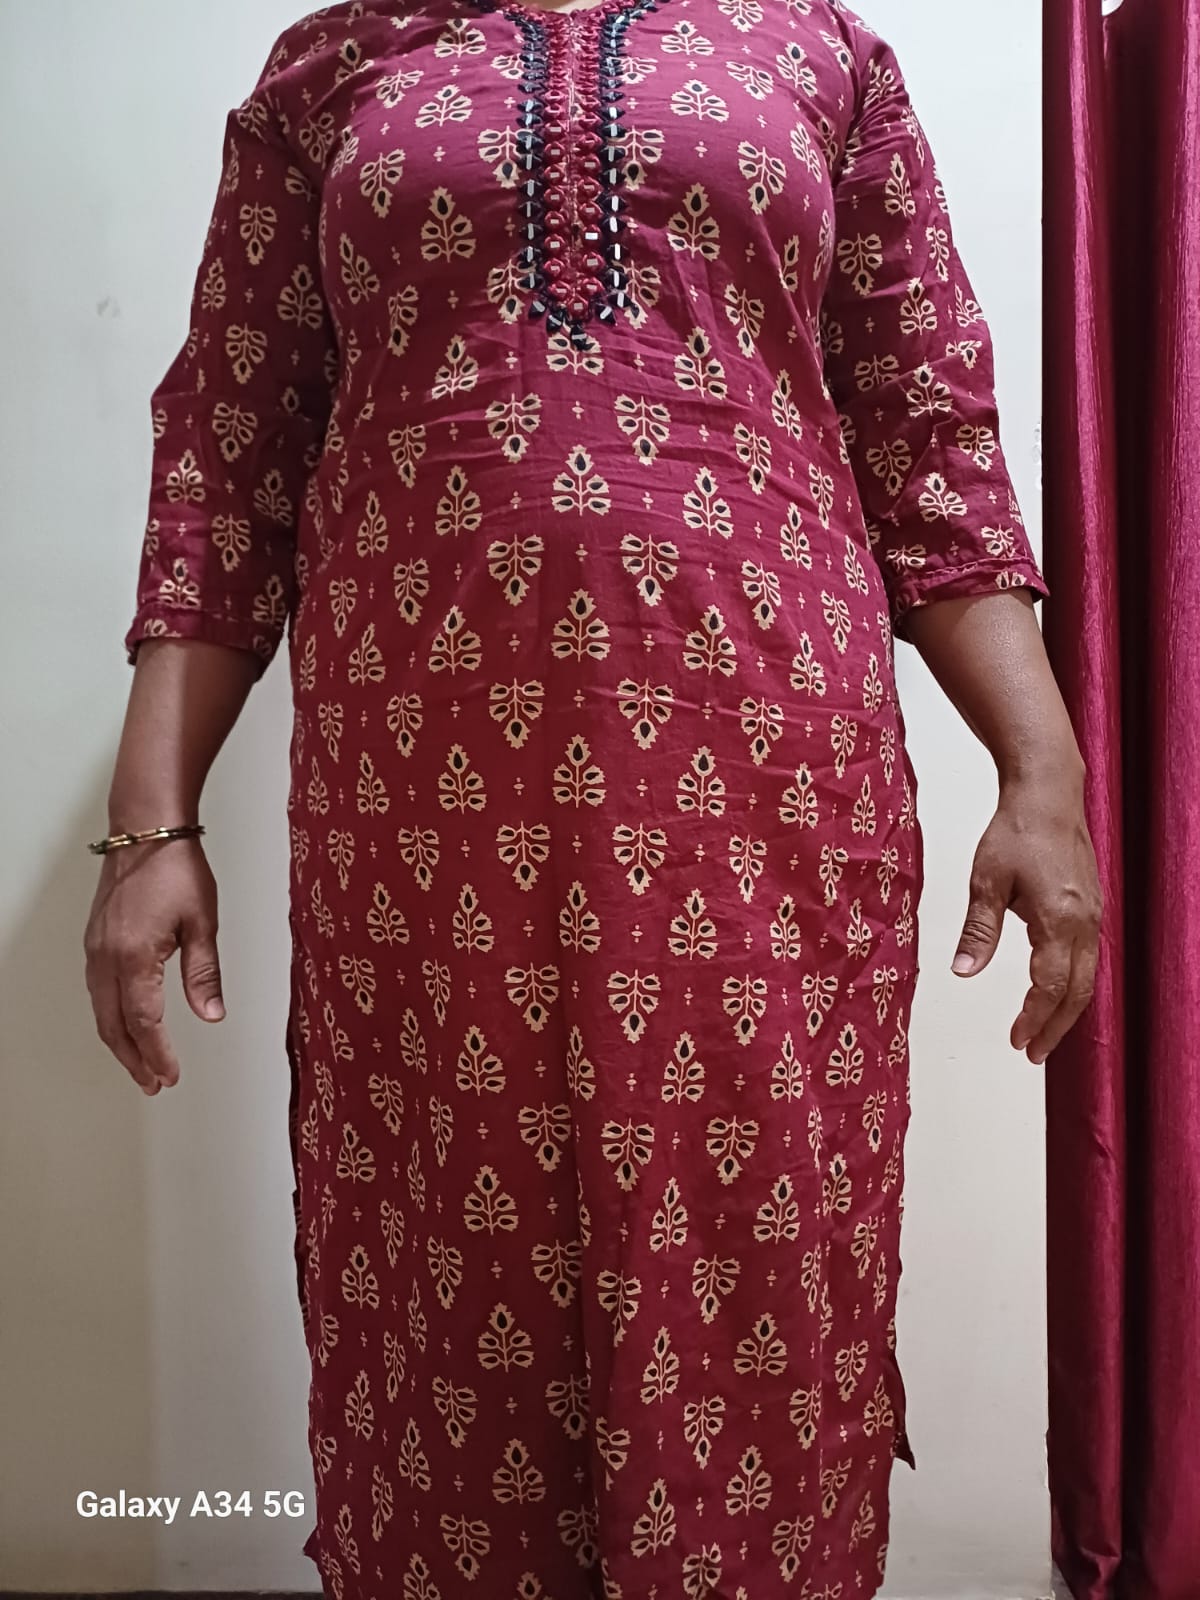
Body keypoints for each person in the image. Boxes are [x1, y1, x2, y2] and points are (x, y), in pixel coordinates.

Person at [84, 0, 1102, 1594]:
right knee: (443, 1279)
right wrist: (152, 824)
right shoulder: (336, 67)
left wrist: (1043, 773)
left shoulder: (818, 56)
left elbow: (932, 450)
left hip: (762, 793)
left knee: (753, 1254)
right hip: (419, 825)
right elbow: (229, 458)